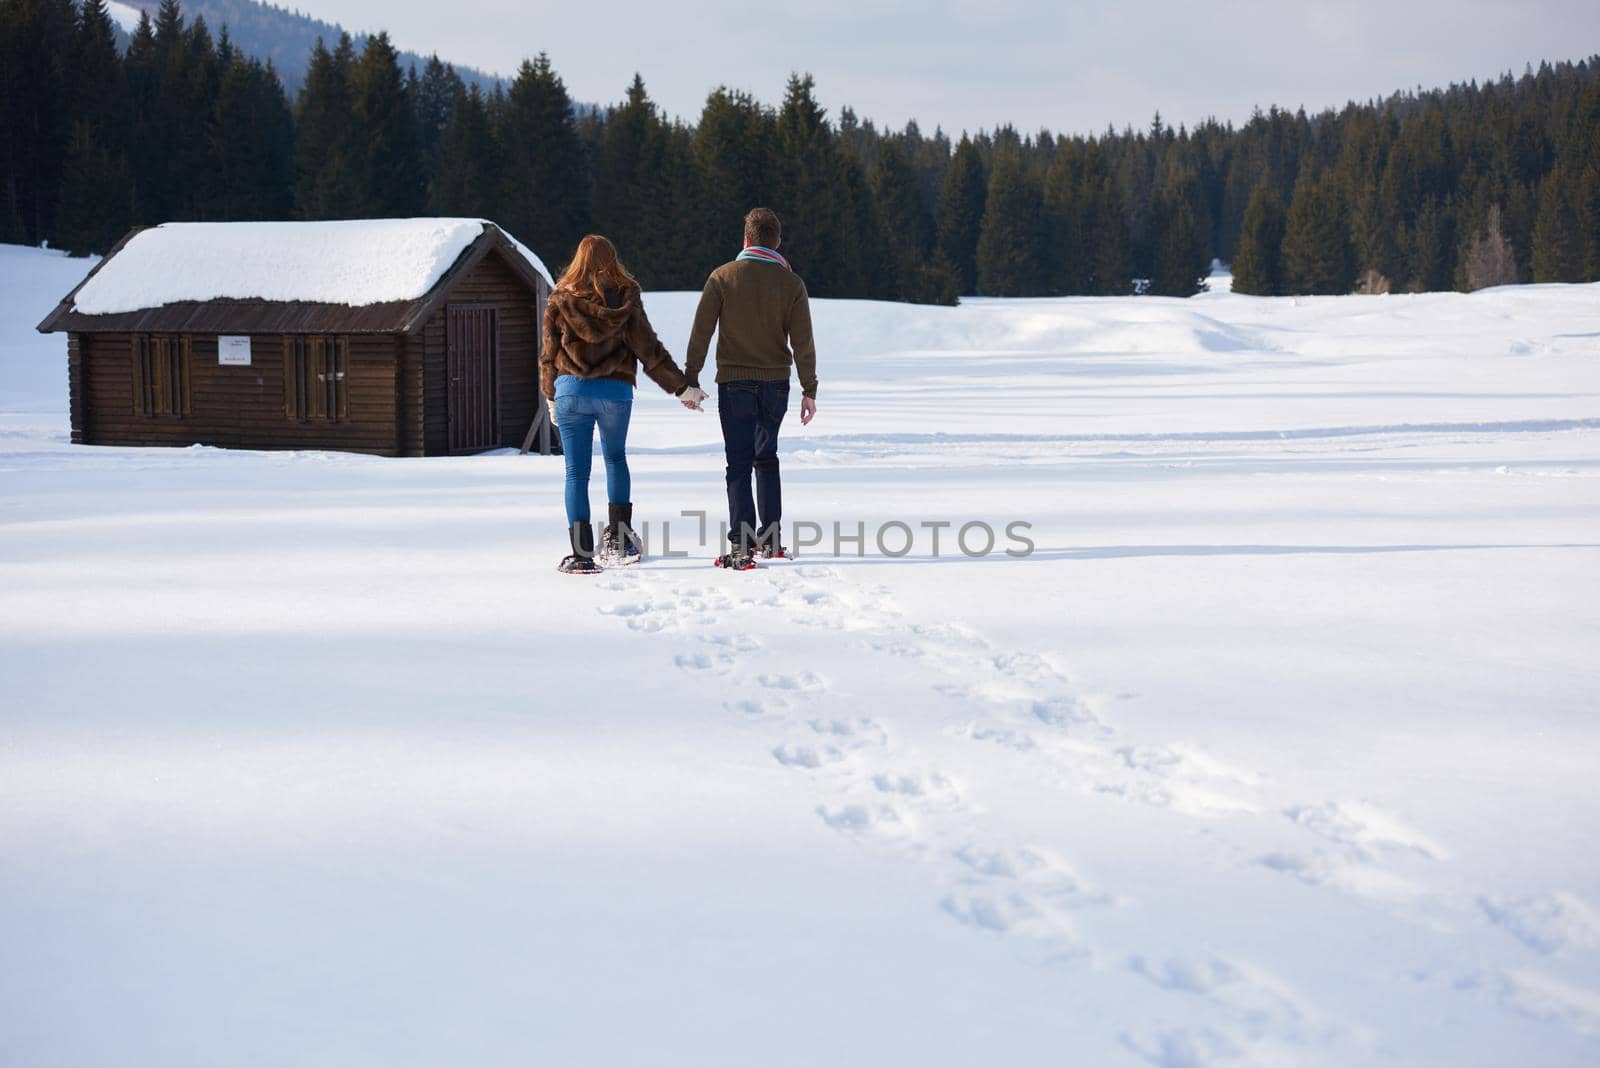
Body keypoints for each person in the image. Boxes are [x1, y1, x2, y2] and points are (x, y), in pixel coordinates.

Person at [541, 235, 708, 575]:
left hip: (571, 391)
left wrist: (550, 397)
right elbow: (650, 352)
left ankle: (581, 555)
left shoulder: (560, 300)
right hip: (615, 393)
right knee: (615, 458)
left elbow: (548, 356)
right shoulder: (626, 300)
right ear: (613, 260)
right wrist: (683, 390)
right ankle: (618, 539)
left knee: (576, 472)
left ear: (577, 261)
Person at [684, 207, 817, 570]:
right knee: (767, 457)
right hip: (776, 384)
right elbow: (803, 342)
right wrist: (810, 389)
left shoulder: (723, 277)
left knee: (739, 463)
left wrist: (690, 378)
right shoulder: (792, 284)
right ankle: (771, 539)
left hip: (734, 382)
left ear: (745, 239)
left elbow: (702, 332)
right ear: (778, 242)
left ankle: (742, 545)